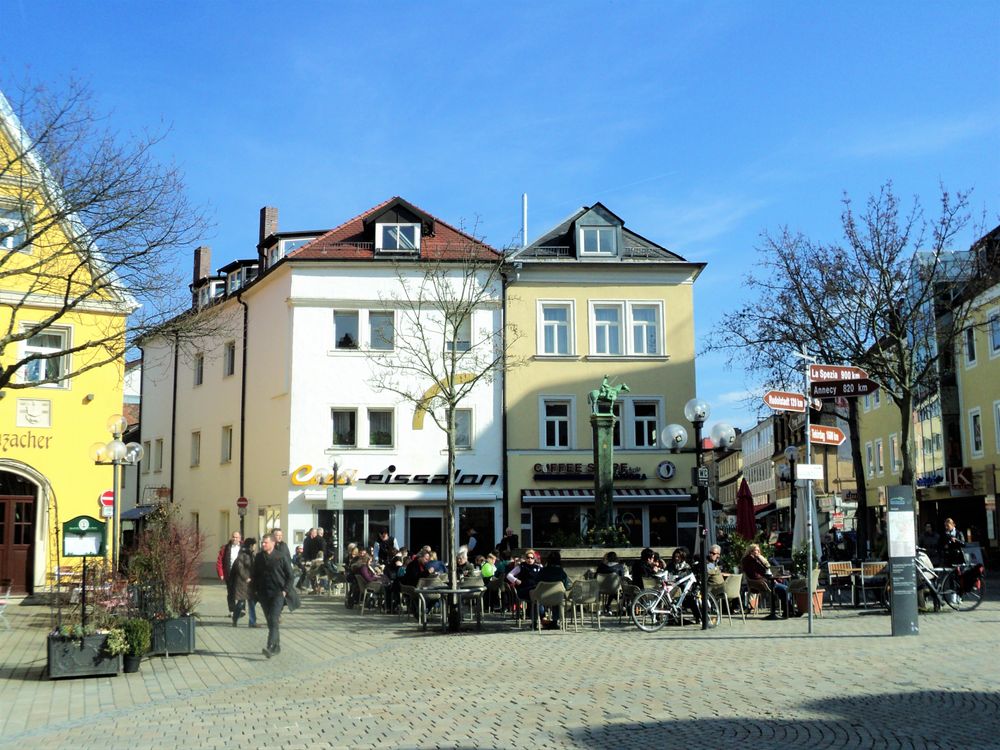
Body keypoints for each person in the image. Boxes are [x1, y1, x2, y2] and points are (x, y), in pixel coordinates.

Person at [252, 533, 291, 658]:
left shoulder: (281, 557)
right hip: (263, 594)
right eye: (262, 542)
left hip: (278, 593)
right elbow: (254, 574)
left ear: (273, 543)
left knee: (274, 618)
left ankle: (270, 647)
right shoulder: (258, 557)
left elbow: (290, 576)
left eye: (265, 542)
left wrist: (285, 591)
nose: (263, 544)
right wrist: (255, 590)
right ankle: (277, 646)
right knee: (270, 621)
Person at [742, 543, 789, 619]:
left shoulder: (752, 559)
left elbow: (765, 569)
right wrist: (761, 558)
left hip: (761, 582)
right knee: (784, 588)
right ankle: (786, 612)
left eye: (758, 550)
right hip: (760, 584)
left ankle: (788, 610)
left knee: (785, 585)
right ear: (751, 551)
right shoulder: (751, 560)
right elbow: (764, 569)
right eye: (755, 550)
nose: (758, 552)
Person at [535, 550, 571, 629]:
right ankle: (555, 621)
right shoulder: (561, 573)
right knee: (558, 595)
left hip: (542, 599)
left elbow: (536, 582)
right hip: (557, 599)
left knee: (536, 599)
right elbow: (567, 586)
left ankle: (541, 618)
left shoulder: (543, 571)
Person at [230, 538, 255, 627]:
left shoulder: (251, 554)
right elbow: (239, 567)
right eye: (254, 545)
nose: (255, 547)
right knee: (241, 603)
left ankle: (252, 622)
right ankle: (235, 619)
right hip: (242, 583)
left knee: (252, 602)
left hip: (250, 583)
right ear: (251, 545)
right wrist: (246, 577)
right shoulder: (243, 554)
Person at [216, 531, 242, 614]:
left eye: (237, 537)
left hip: (241, 574)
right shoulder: (225, 548)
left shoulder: (244, 548)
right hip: (229, 574)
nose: (235, 539)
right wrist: (221, 574)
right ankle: (232, 610)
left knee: (241, 591)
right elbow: (219, 561)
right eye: (233, 537)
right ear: (231, 537)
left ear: (240, 538)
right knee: (231, 593)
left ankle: (241, 608)